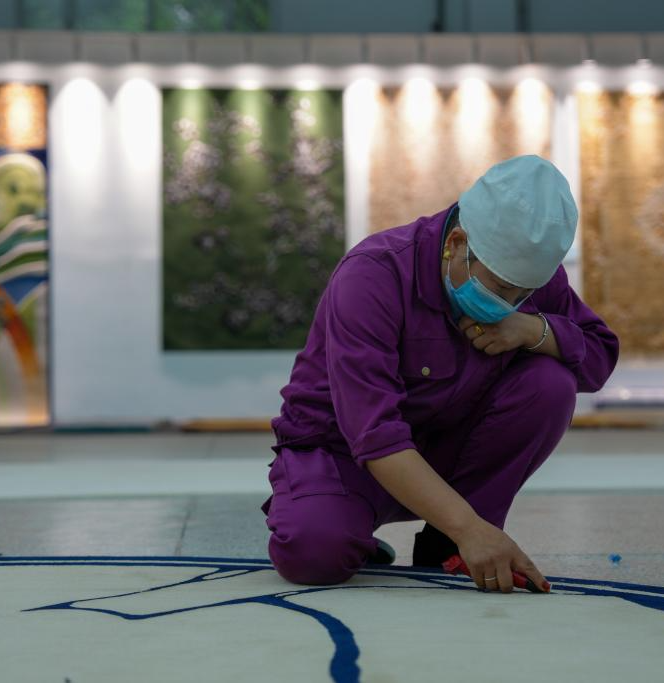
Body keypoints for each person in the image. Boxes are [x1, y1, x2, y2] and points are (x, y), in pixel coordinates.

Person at [260, 154, 619, 593]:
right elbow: (374, 434)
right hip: (343, 455)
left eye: (523, 295)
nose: (509, 303)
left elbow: (599, 359)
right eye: (501, 289)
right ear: (456, 243)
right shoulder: (373, 275)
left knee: (550, 384)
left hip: (446, 445)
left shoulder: (524, 276)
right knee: (315, 553)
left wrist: (533, 330)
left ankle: (445, 545)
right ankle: (363, 533)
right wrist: (471, 527)